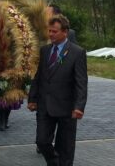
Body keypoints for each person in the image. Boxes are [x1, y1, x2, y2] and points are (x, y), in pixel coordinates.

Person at [28, 14, 87, 166]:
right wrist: (32, 98)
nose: (51, 34)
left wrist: (79, 107)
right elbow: (39, 76)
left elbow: (81, 82)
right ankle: (55, 162)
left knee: (65, 148)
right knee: (41, 141)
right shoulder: (45, 50)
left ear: (65, 32)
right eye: (50, 31)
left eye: (54, 31)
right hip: (45, 105)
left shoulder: (77, 52)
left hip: (67, 108)